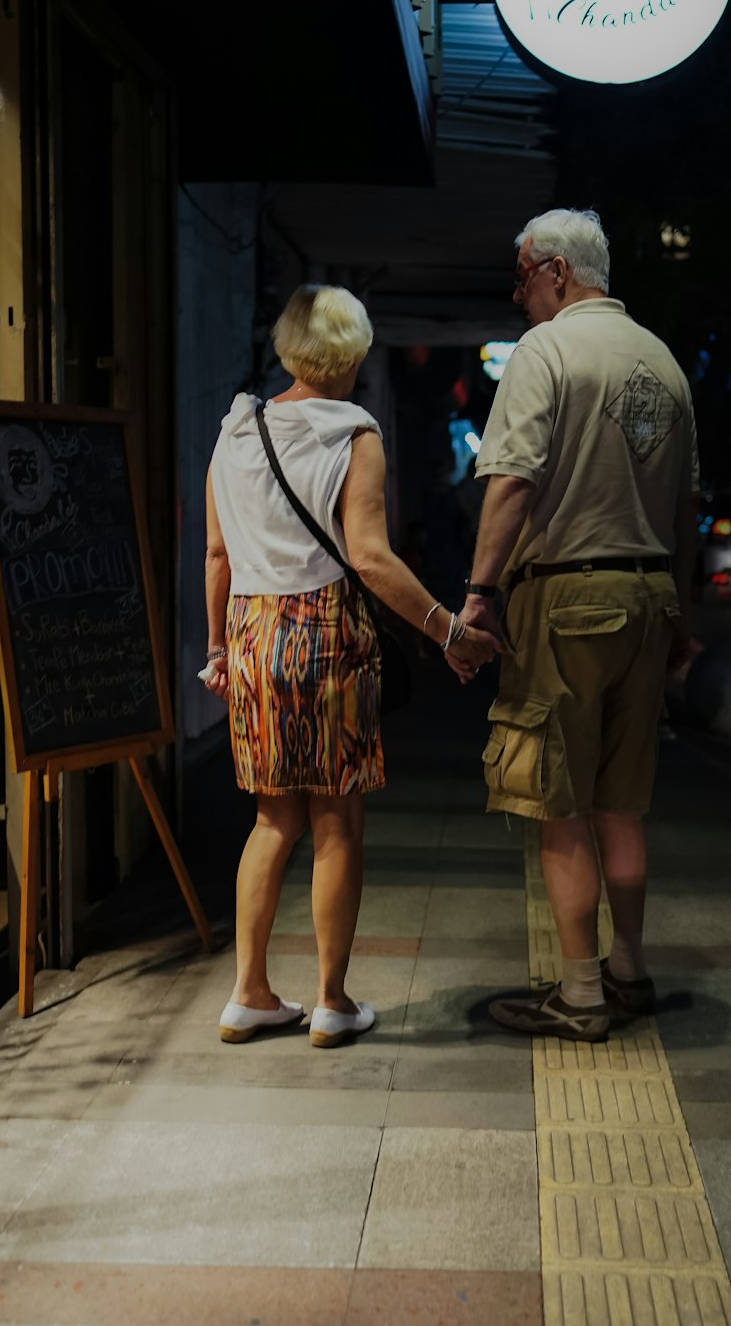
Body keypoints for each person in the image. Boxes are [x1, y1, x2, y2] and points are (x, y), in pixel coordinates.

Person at [202, 286, 495, 1049]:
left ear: (288, 347)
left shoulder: (237, 427)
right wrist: (445, 629)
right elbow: (368, 557)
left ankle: (249, 992)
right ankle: (330, 1001)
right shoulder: (354, 434)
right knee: (337, 822)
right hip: (324, 632)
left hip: (252, 632)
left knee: (272, 818)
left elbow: (217, 554)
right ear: (354, 354)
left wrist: (216, 649)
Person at [453, 209, 699, 1043]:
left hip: (566, 600)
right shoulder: (663, 362)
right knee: (622, 804)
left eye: (522, 276)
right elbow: (686, 507)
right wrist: (683, 614)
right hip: (650, 596)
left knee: (560, 801)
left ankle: (582, 991)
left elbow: (513, 480)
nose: (519, 293)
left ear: (557, 271)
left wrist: (480, 592)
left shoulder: (547, 351)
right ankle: (629, 965)